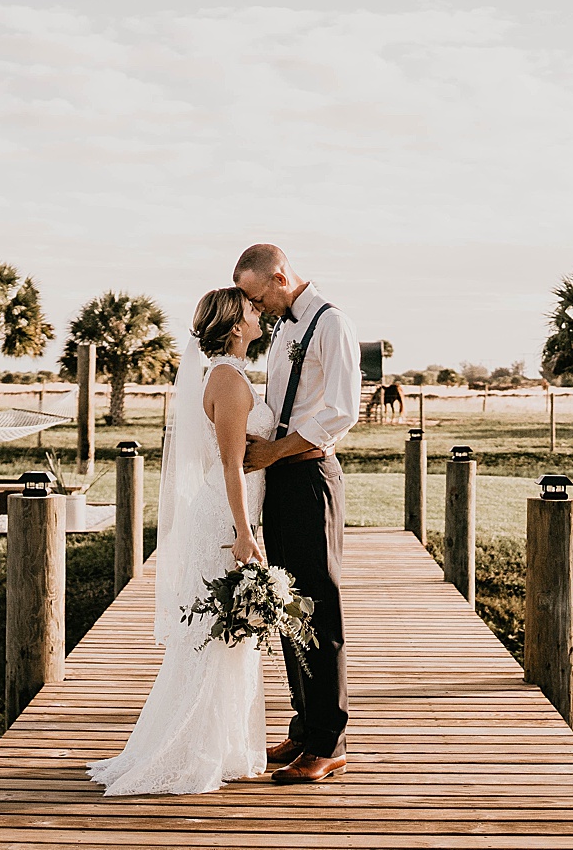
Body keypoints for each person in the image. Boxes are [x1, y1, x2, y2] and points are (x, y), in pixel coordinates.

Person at [86, 287, 275, 795]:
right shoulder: (230, 382)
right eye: (252, 310)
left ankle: (226, 745)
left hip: (226, 512)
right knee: (219, 634)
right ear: (236, 324)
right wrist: (244, 532)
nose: (260, 314)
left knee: (228, 634)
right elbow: (232, 466)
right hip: (224, 517)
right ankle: (194, 750)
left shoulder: (221, 374)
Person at [234, 243, 361, 784]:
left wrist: (273, 452)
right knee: (286, 602)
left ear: (281, 277)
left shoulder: (332, 325)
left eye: (258, 297)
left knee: (319, 603)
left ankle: (330, 742)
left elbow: (341, 410)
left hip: (310, 475)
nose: (255, 310)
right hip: (280, 476)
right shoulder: (284, 327)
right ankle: (304, 724)